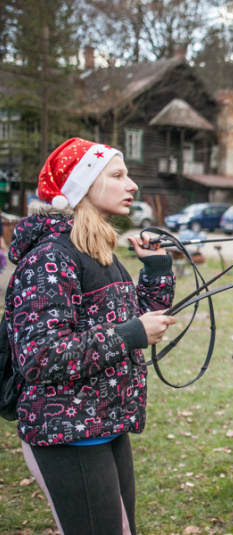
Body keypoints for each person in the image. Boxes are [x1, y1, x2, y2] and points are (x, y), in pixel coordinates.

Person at [5, 138, 177, 534]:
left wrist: (156, 271)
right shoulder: (50, 257)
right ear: (81, 187)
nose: (132, 185)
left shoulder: (96, 249)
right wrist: (132, 334)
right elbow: (41, 357)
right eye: (117, 176)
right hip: (66, 431)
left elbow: (136, 319)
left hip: (104, 421)